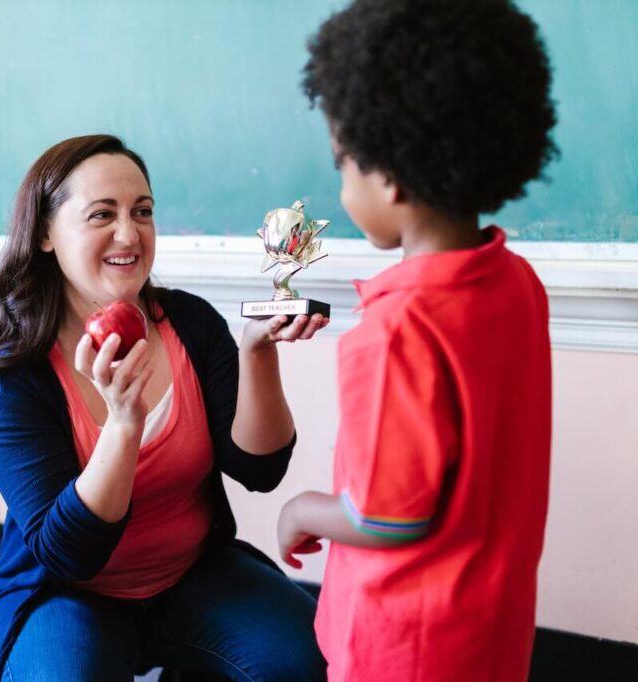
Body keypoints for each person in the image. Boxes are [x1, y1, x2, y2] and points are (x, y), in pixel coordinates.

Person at [0, 134, 328, 682]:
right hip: (66, 592)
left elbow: (260, 470)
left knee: (301, 665)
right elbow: (69, 554)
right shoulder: (14, 378)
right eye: (101, 215)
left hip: (191, 572)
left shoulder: (191, 324)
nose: (129, 234)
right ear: (44, 234)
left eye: (143, 211)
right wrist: (124, 422)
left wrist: (257, 352)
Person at [275, 1, 558, 680]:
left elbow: (389, 519)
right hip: (490, 632)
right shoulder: (514, 283)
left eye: (344, 166)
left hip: (405, 650)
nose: (341, 187)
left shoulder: (396, 332)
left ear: (390, 176)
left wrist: (302, 508)